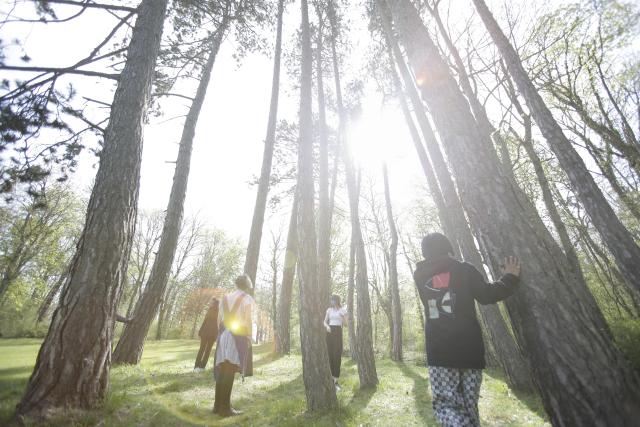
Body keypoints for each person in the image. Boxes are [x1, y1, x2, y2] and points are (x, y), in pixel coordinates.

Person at [413, 232, 521, 427]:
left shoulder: (420, 276)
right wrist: (510, 278)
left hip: (440, 352)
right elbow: (487, 295)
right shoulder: (463, 269)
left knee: (446, 406)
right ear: (448, 249)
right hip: (470, 348)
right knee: (469, 407)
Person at [212, 275, 254, 417]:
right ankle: (225, 408)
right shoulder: (247, 299)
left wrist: (221, 336)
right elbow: (248, 320)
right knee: (229, 370)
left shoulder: (225, 298)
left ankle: (217, 406)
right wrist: (249, 336)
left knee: (223, 369)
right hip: (237, 336)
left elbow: (219, 321)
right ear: (247, 285)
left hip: (223, 335)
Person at [323, 294, 347, 391]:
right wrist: (327, 326)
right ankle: (329, 378)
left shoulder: (343, 310)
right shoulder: (329, 310)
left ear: (337, 301)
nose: (331, 302)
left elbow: (346, 325)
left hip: (338, 332)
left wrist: (343, 318)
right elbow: (324, 322)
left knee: (337, 356)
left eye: (333, 300)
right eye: (331, 300)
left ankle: (336, 381)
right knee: (329, 355)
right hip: (330, 332)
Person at [194, 299, 219, 371]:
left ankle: (198, 367)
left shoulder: (216, 311)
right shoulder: (212, 310)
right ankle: (199, 367)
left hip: (210, 333)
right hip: (208, 333)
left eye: (212, 302)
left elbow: (207, 322)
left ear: (215, 303)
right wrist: (200, 331)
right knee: (205, 350)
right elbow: (205, 321)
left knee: (204, 350)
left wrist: (201, 331)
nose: (210, 303)